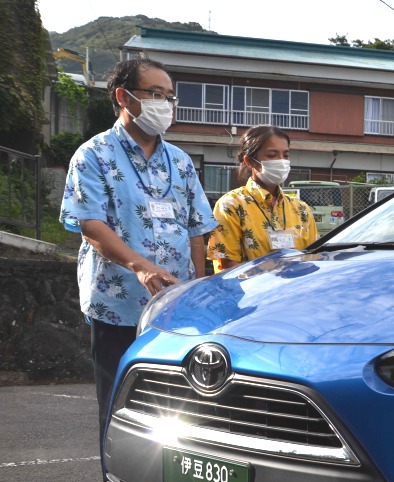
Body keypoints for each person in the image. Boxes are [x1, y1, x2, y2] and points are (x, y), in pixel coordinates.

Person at [60, 57, 217, 432]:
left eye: (170, 96)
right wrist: (140, 265)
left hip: (172, 307)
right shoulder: (93, 155)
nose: (166, 104)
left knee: (176, 410)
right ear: (124, 97)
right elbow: (91, 225)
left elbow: (197, 228)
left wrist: (196, 284)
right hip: (118, 306)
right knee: (118, 406)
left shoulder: (180, 162)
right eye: (155, 94)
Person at [206, 125, 319, 272]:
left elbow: (314, 258)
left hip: (295, 292)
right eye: (272, 155)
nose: (281, 161)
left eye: (285, 155)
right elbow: (227, 267)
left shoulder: (301, 209)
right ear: (250, 161)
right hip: (253, 293)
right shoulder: (231, 205)